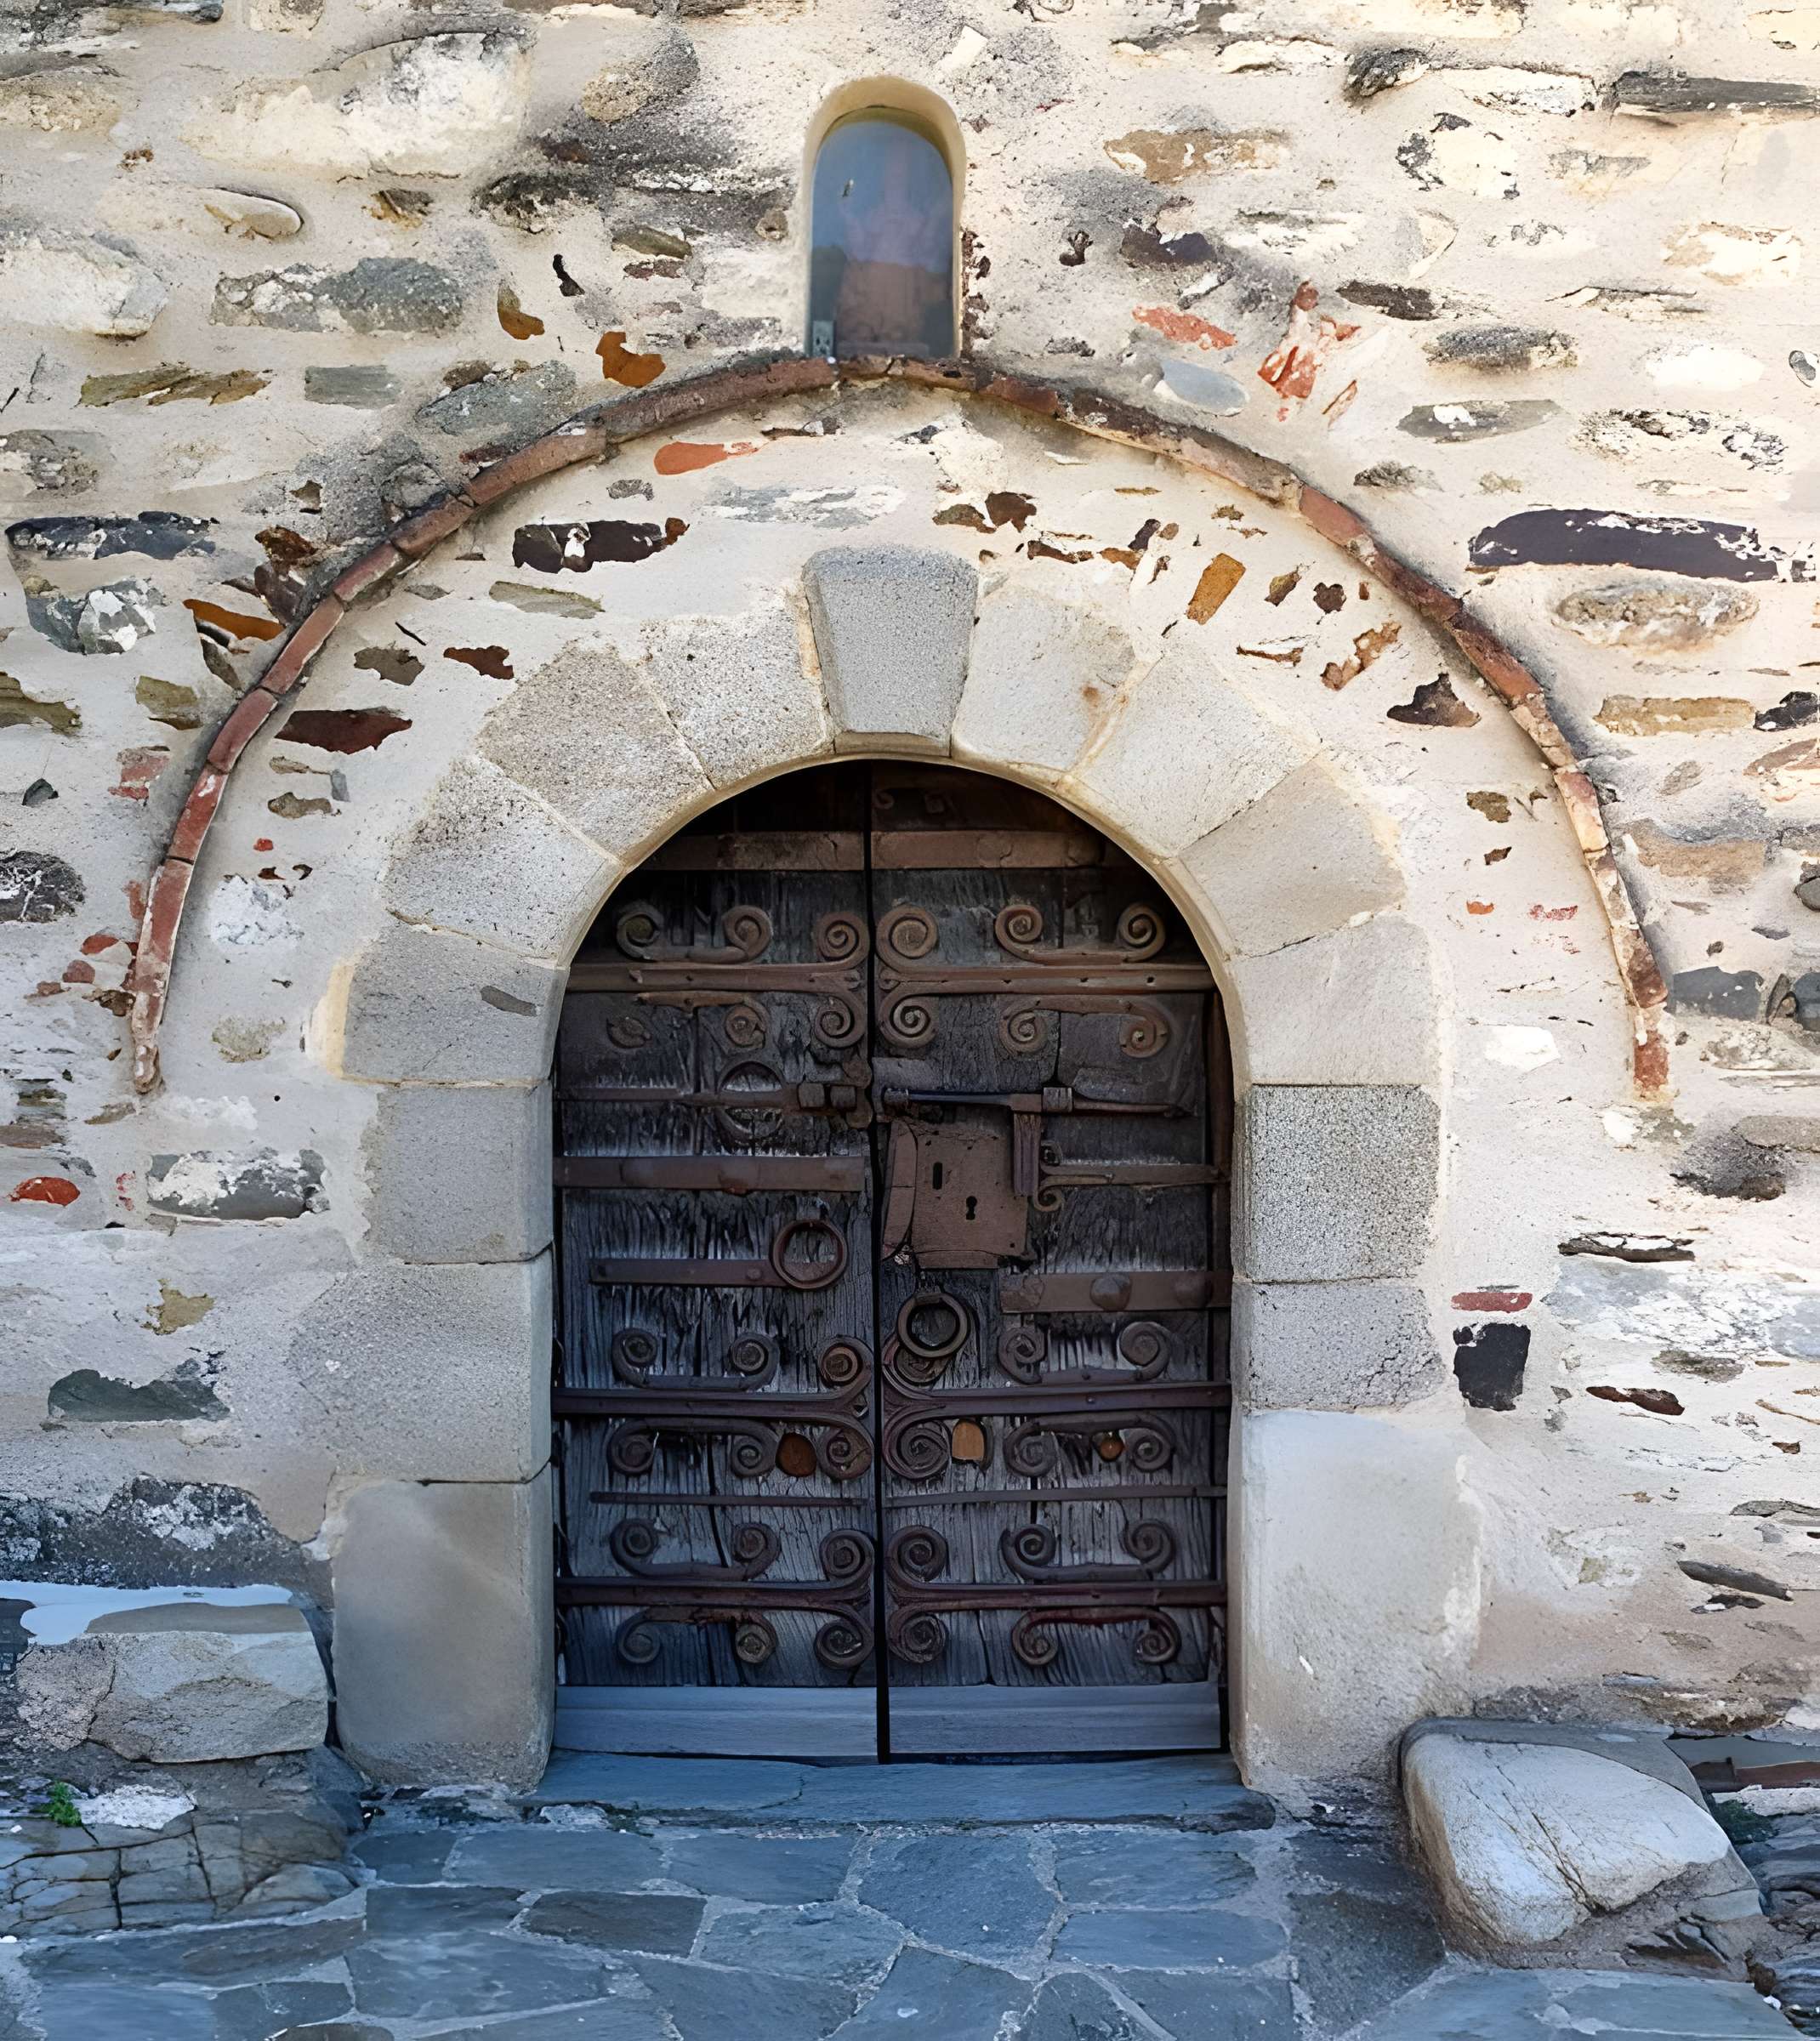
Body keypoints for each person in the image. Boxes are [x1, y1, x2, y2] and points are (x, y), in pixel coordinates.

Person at [813, 117, 953, 360]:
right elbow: (859, 247)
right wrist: (849, 219)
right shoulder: (875, 215)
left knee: (899, 318)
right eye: (891, 178)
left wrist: (937, 216)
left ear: (908, 184)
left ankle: (899, 337)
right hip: (874, 278)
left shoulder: (914, 217)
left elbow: (926, 247)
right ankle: (867, 335)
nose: (895, 182)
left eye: (900, 178)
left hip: (903, 281)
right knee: (870, 314)